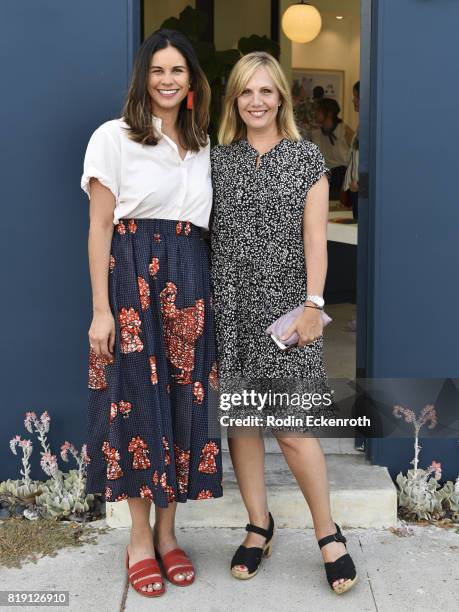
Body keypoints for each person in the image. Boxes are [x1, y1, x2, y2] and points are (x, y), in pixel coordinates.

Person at [80, 29, 222, 598]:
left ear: (191, 81)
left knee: (185, 406)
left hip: (190, 279)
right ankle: (139, 538)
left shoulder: (202, 141)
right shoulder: (112, 138)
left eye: (178, 71)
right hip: (133, 277)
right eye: (158, 70)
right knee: (136, 408)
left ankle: (169, 534)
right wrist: (100, 309)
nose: (167, 80)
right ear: (144, 78)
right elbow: (98, 228)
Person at [210, 51, 357, 595]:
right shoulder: (217, 162)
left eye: (266, 91)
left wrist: (315, 305)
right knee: (243, 427)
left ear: (281, 99)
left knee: (294, 433)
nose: (256, 101)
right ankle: (258, 526)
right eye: (246, 92)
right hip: (231, 312)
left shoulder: (306, 161)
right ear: (235, 100)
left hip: (288, 314)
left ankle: (327, 532)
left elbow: (316, 239)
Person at [310, 97, 354, 200]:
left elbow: (357, 156)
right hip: (324, 178)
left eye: (318, 110)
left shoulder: (344, 130)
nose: (315, 113)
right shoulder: (315, 134)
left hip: (343, 179)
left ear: (329, 113)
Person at [343, 81, 360, 221]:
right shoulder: (362, 124)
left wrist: (360, 184)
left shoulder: (371, 124)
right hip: (355, 188)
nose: (353, 100)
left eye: (356, 96)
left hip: (360, 189)